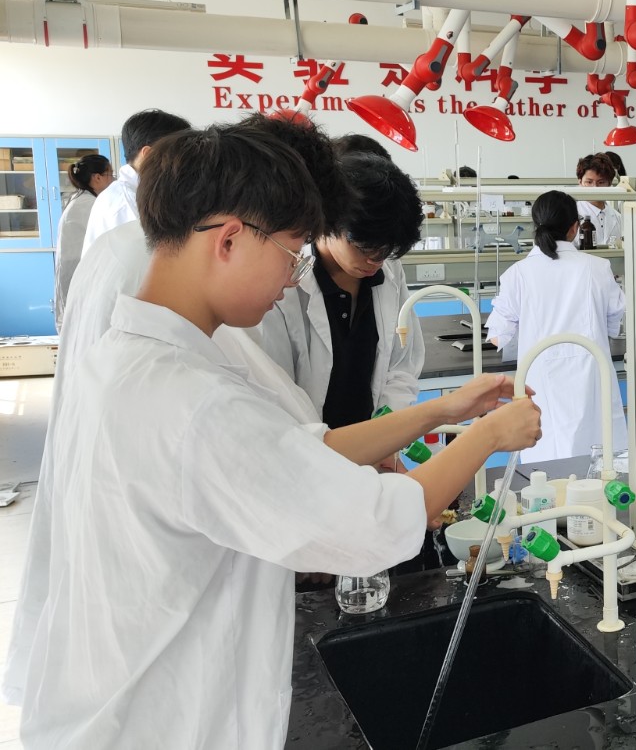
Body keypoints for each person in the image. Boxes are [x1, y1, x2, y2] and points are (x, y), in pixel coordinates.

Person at [10, 124, 541, 748]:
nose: (293, 279)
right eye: (292, 253)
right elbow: (374, 523)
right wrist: (489, 435)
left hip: (124, 698)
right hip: (164, 721)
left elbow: (298, 451)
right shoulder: (195, 402)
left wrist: (444, 409)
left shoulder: (136, 359)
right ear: (230, 238)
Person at [248, 150, 426, 430]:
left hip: (373, 441)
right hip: (305, 443)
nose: (376, 261)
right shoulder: (287, 283)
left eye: (387, 250)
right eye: (365, 248)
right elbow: (277, 390)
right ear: (327, 222)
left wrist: (385, 427)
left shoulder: (389, 271)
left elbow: (402, 364)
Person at [487, 190, 627, 463]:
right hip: (591, 376)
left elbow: (498, 336)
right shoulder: (598, 267)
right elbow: (615, 319)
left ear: (535, 226)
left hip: (540, 381)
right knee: (599, 464)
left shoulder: (517, 273)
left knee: (545, 468)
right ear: (575, 228)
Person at [81, 108, 190, 252]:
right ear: (149, 155)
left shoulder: (142, 193)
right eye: (180, 153)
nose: (186, 163)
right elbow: (154, 256)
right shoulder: (127, 201)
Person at [53, 153, 114, 330]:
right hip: (79, 271)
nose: (113, 180)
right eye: (110, 174)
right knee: (83, 324)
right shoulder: (88, 204)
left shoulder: (83, 199)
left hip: (78, 270)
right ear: (97, 178)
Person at [576, 153, 623, 246]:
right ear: (580, 182)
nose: (595, 187)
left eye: (601, 182)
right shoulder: (571, 215)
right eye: (589, 182)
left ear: (609, 184)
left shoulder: (618, 218)